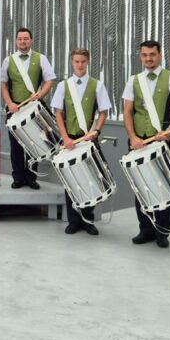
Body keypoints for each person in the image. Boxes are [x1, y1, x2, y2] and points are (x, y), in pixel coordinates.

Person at [121, 39, 170, 248]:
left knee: (163, 186)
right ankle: (145, 230)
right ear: (140, 56)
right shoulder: (133, 80)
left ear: (159, 55)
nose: (148, 58)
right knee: (141, 185)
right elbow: (127, 111)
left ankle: (162, 232)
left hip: (162, 142)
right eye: (144, 55)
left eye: (152, 54)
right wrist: (133, 137)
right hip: (138, 142)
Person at [51, 48, 112, 236]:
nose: (79, 65)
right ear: (72, 62)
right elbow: (58, 113)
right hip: (69, 138)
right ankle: (73, 221)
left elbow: (103, 112)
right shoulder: (63, 86)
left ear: (88, 62)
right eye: (76, 61)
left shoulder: (97, 85)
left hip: (88, 139)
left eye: (83, 61)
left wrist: (96, 131)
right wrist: (65, 137)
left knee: (90, 179)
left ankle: (88, 220)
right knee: (71, 181)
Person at [0, 27, 56, 189]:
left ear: (31, 40)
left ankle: (31, 178)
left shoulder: (41, 58)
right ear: (16, 41)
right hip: (14, 108)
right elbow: (3, 84)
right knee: (16, 145)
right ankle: (18, 177)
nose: (22, 41)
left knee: (34, 143)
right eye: (20, 39)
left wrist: (39, 95)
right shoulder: (8, 60)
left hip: (33, 108)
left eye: (25, 38)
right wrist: (9, 103)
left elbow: (50, 80)